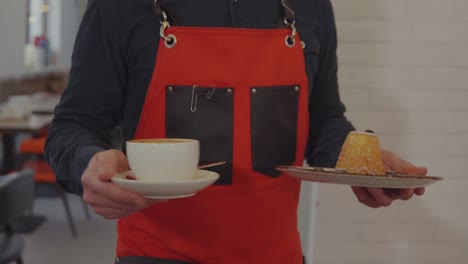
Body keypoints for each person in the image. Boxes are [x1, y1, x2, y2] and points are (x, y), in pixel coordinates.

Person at [44, 0, 427, 263]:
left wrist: (360, 162)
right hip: (156, 256)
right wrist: (89, 164)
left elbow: (322, 120)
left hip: (278, 256)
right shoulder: (120, 7)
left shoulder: (310, 6)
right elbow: (72, 126)